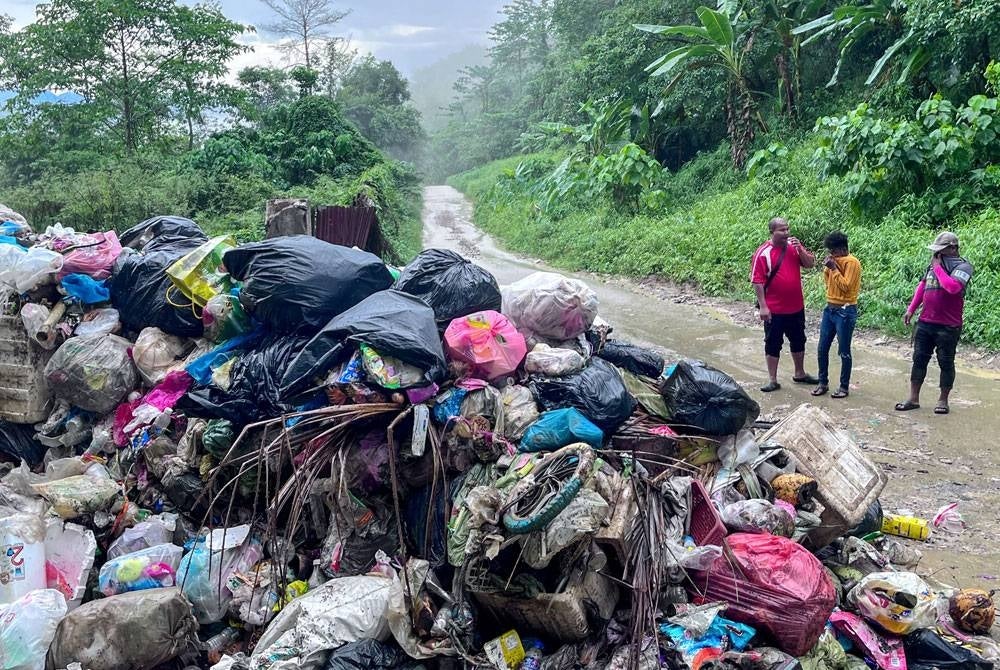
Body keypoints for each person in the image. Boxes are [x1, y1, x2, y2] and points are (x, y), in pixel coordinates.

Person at [895, 231, 973, 415]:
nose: (937, 253)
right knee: (919, 360)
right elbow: (923, 286)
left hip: (948, 326)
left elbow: (952, 287)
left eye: (941, 250)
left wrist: (937, 268)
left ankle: (943, 400)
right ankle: (913, 398)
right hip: (925, 322)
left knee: (946, 362)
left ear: (953, 248)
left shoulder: (964, 267)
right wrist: (911, 309)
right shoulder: (933, 265)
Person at [750, 217, 819, 392]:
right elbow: (757, 281)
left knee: (799, 340)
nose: (786, 233)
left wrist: (800, 250)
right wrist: (763, 306)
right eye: (782, 230)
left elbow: (810, 264)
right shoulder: (763, 253)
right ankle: (772, 380)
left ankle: (800, 373)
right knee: (773, 342)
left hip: (796, 306)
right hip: (774, 309)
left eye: (787, 229)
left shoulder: (794, 247)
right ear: (772, 232)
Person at [812, 231, 861, 398]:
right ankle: (822, 382)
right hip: (830, 309)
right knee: (822, 348)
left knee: (844, 350)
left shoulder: (852, 263)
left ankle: (844, 387)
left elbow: (846, 286)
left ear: (842, 249)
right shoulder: (835, 262)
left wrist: (834, 268)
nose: (831, 254)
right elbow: (829, 283)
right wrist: (829, 269)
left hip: (845, 310)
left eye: (833, 251)